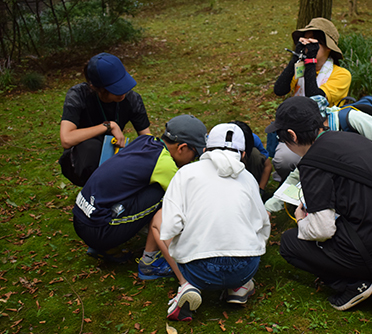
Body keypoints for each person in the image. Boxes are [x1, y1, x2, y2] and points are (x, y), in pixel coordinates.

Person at [265, 96, 372, 311]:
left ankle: (354, 284)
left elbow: (322, 230)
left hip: (368, 248)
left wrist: (300, 220)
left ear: (292, 136)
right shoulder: (352, 139)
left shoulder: (312, 164)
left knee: (289, 243)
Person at [150, 123, 271, 322]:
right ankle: (239, 287)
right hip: (244, 267)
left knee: (158, 220)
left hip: (199, 271)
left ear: (205, 150)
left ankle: (187, 285)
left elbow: (171, 225)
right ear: (242, 154)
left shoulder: (185, 174)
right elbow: (262, 224)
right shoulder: (248, 179)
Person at [72, 115, 207, 280]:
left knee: (149, 187)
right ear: (182, 148)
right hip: (98, 229)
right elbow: (190, 201)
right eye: (194, 156)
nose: (192, 161)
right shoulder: (164, 164)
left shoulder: (144, 141)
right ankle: (150, 263)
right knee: (165, 194)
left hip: (81, 216)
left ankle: (101, 247)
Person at [265, 95, 372, 213]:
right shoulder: (313, 138)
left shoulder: (351, 119)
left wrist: (361, 156)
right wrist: (270, 207)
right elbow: (299, 173)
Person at [271, 17, 352, 182]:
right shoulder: (300, 69)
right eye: (305, 41)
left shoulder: (341, 75)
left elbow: (313, 101)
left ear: (329, 48)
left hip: (324, 130)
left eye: (314, 43)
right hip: (295, 128)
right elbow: (279, 90)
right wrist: (296, 57)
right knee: (283, 160)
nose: (309, 46)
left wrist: (310, 61)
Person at [59, 52, 151, 186]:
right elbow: (66, 139)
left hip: (115, 155)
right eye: (115, 87)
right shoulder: (78, 95)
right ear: (96, 88)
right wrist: (109, 125)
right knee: (92, 148)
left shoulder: (132, 99)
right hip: (81, 160)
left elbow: (146, 138)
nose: (123, 91)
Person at [230, 121, 272, 196]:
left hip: (248, 169)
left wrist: (260, 190)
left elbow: (268, 166)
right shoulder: (214, 142)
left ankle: (252, 187)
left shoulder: (253, 139)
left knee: (255, 155)